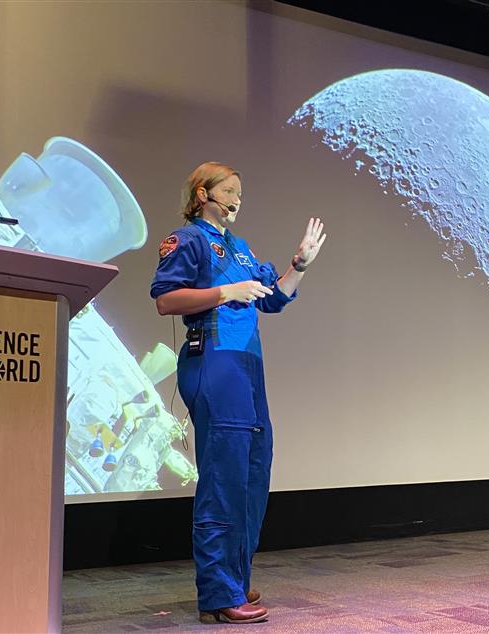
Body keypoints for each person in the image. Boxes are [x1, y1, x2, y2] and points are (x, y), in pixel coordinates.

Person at [150, 162, 326, 624]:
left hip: (247, 367)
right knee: (225, 478)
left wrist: (298, 266)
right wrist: (226, 291)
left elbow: (273, 297)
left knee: (252, 475)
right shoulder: (187, 240)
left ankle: (235, 577)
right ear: (202, 192)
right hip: (214, 361)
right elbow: (166, 299)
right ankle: (217, 592)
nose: (237, 199)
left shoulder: (241, 248)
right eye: (228, 190)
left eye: (240, 193)